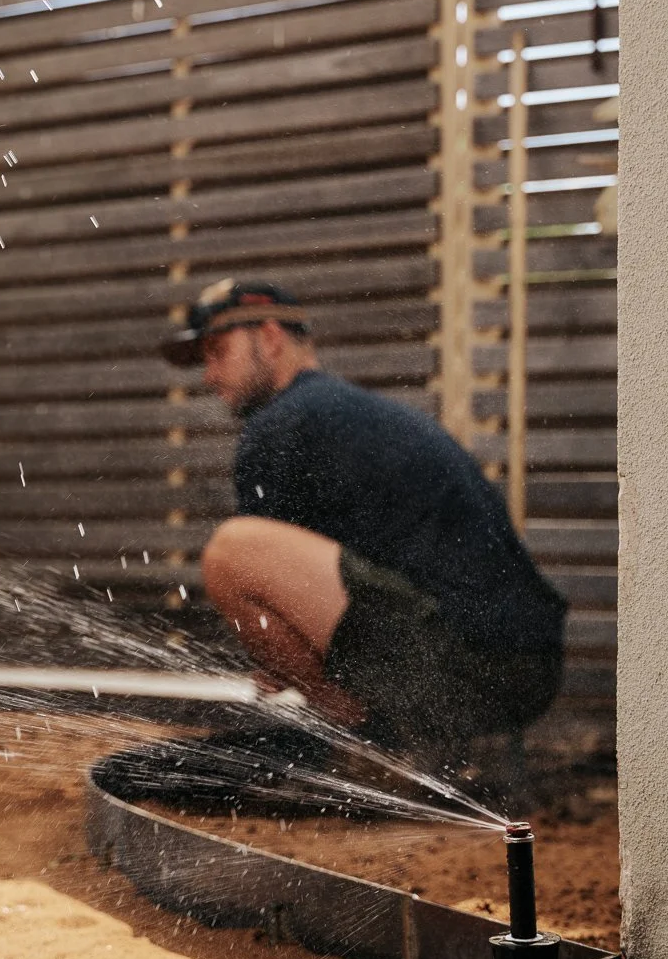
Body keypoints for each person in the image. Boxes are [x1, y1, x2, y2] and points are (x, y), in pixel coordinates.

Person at [161, 278, 566, 766]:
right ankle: (383, 744)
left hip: (474, 668)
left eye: (217, 351)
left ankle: (359, 750)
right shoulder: (339, 413)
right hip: (523, 669)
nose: (208, 374)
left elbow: (265, 601)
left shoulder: (281, 425)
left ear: (269, 339)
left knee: (233, 554)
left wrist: (281, 661)